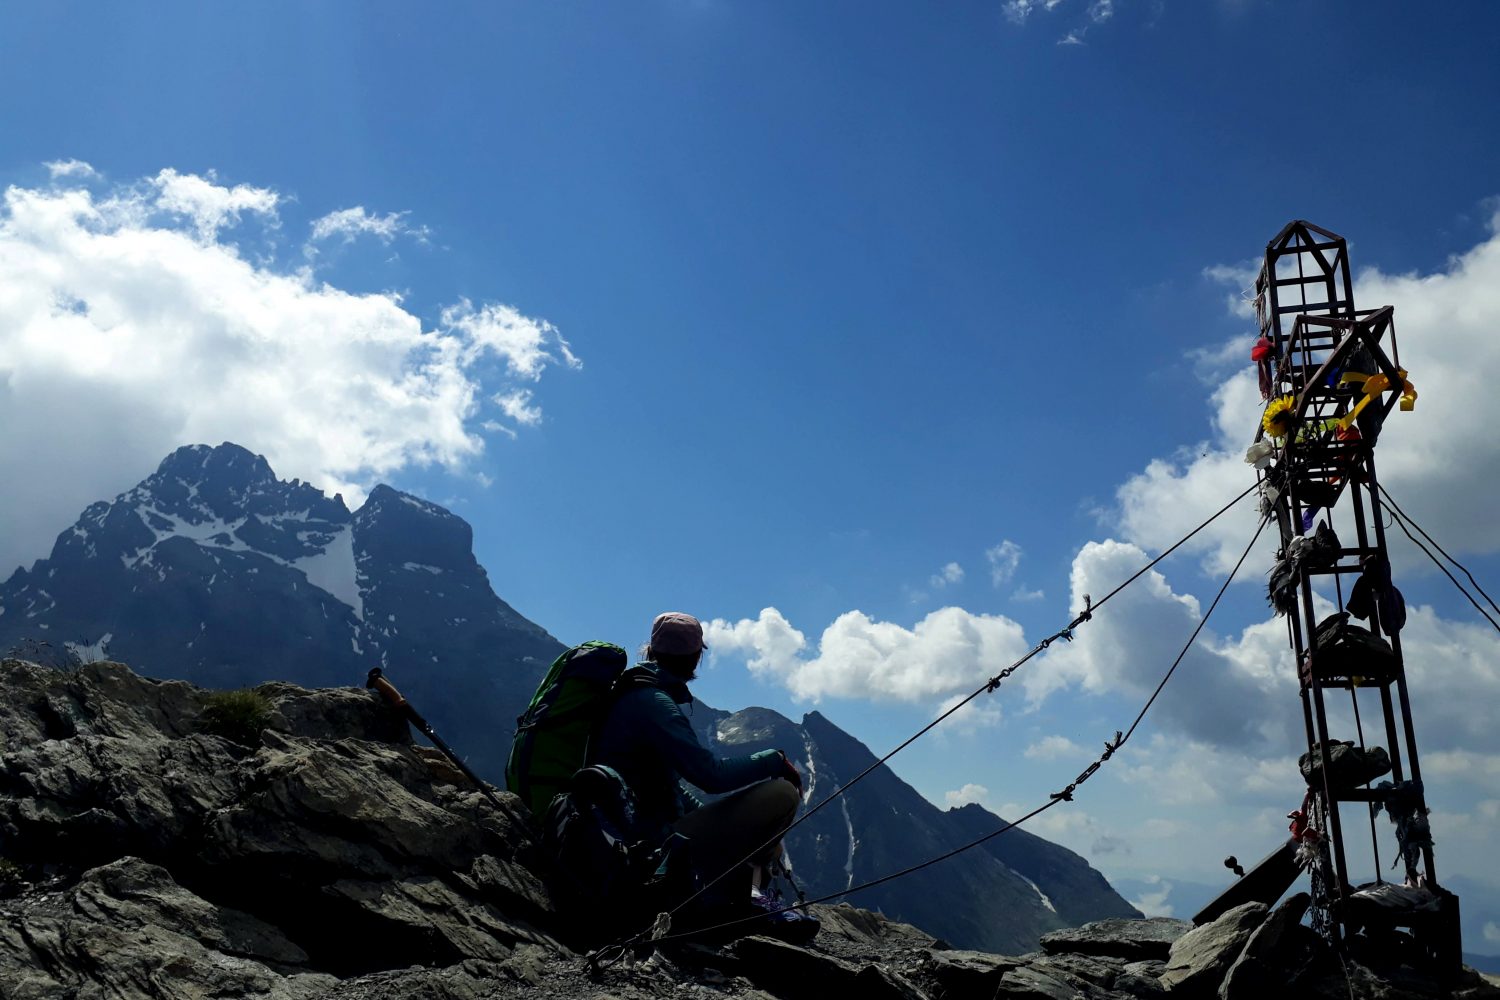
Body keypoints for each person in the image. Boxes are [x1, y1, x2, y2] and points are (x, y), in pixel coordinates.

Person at [590, 611, 807, 922]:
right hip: (651, 845)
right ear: (695, 658)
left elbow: (666, 785)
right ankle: (746, 897)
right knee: (782, 794)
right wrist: (774, 760)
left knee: (752, 816)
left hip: (629, 837)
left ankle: (740, 891)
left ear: (650, 649)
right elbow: (710, 776)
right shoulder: (656, 704)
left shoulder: (630, 694)